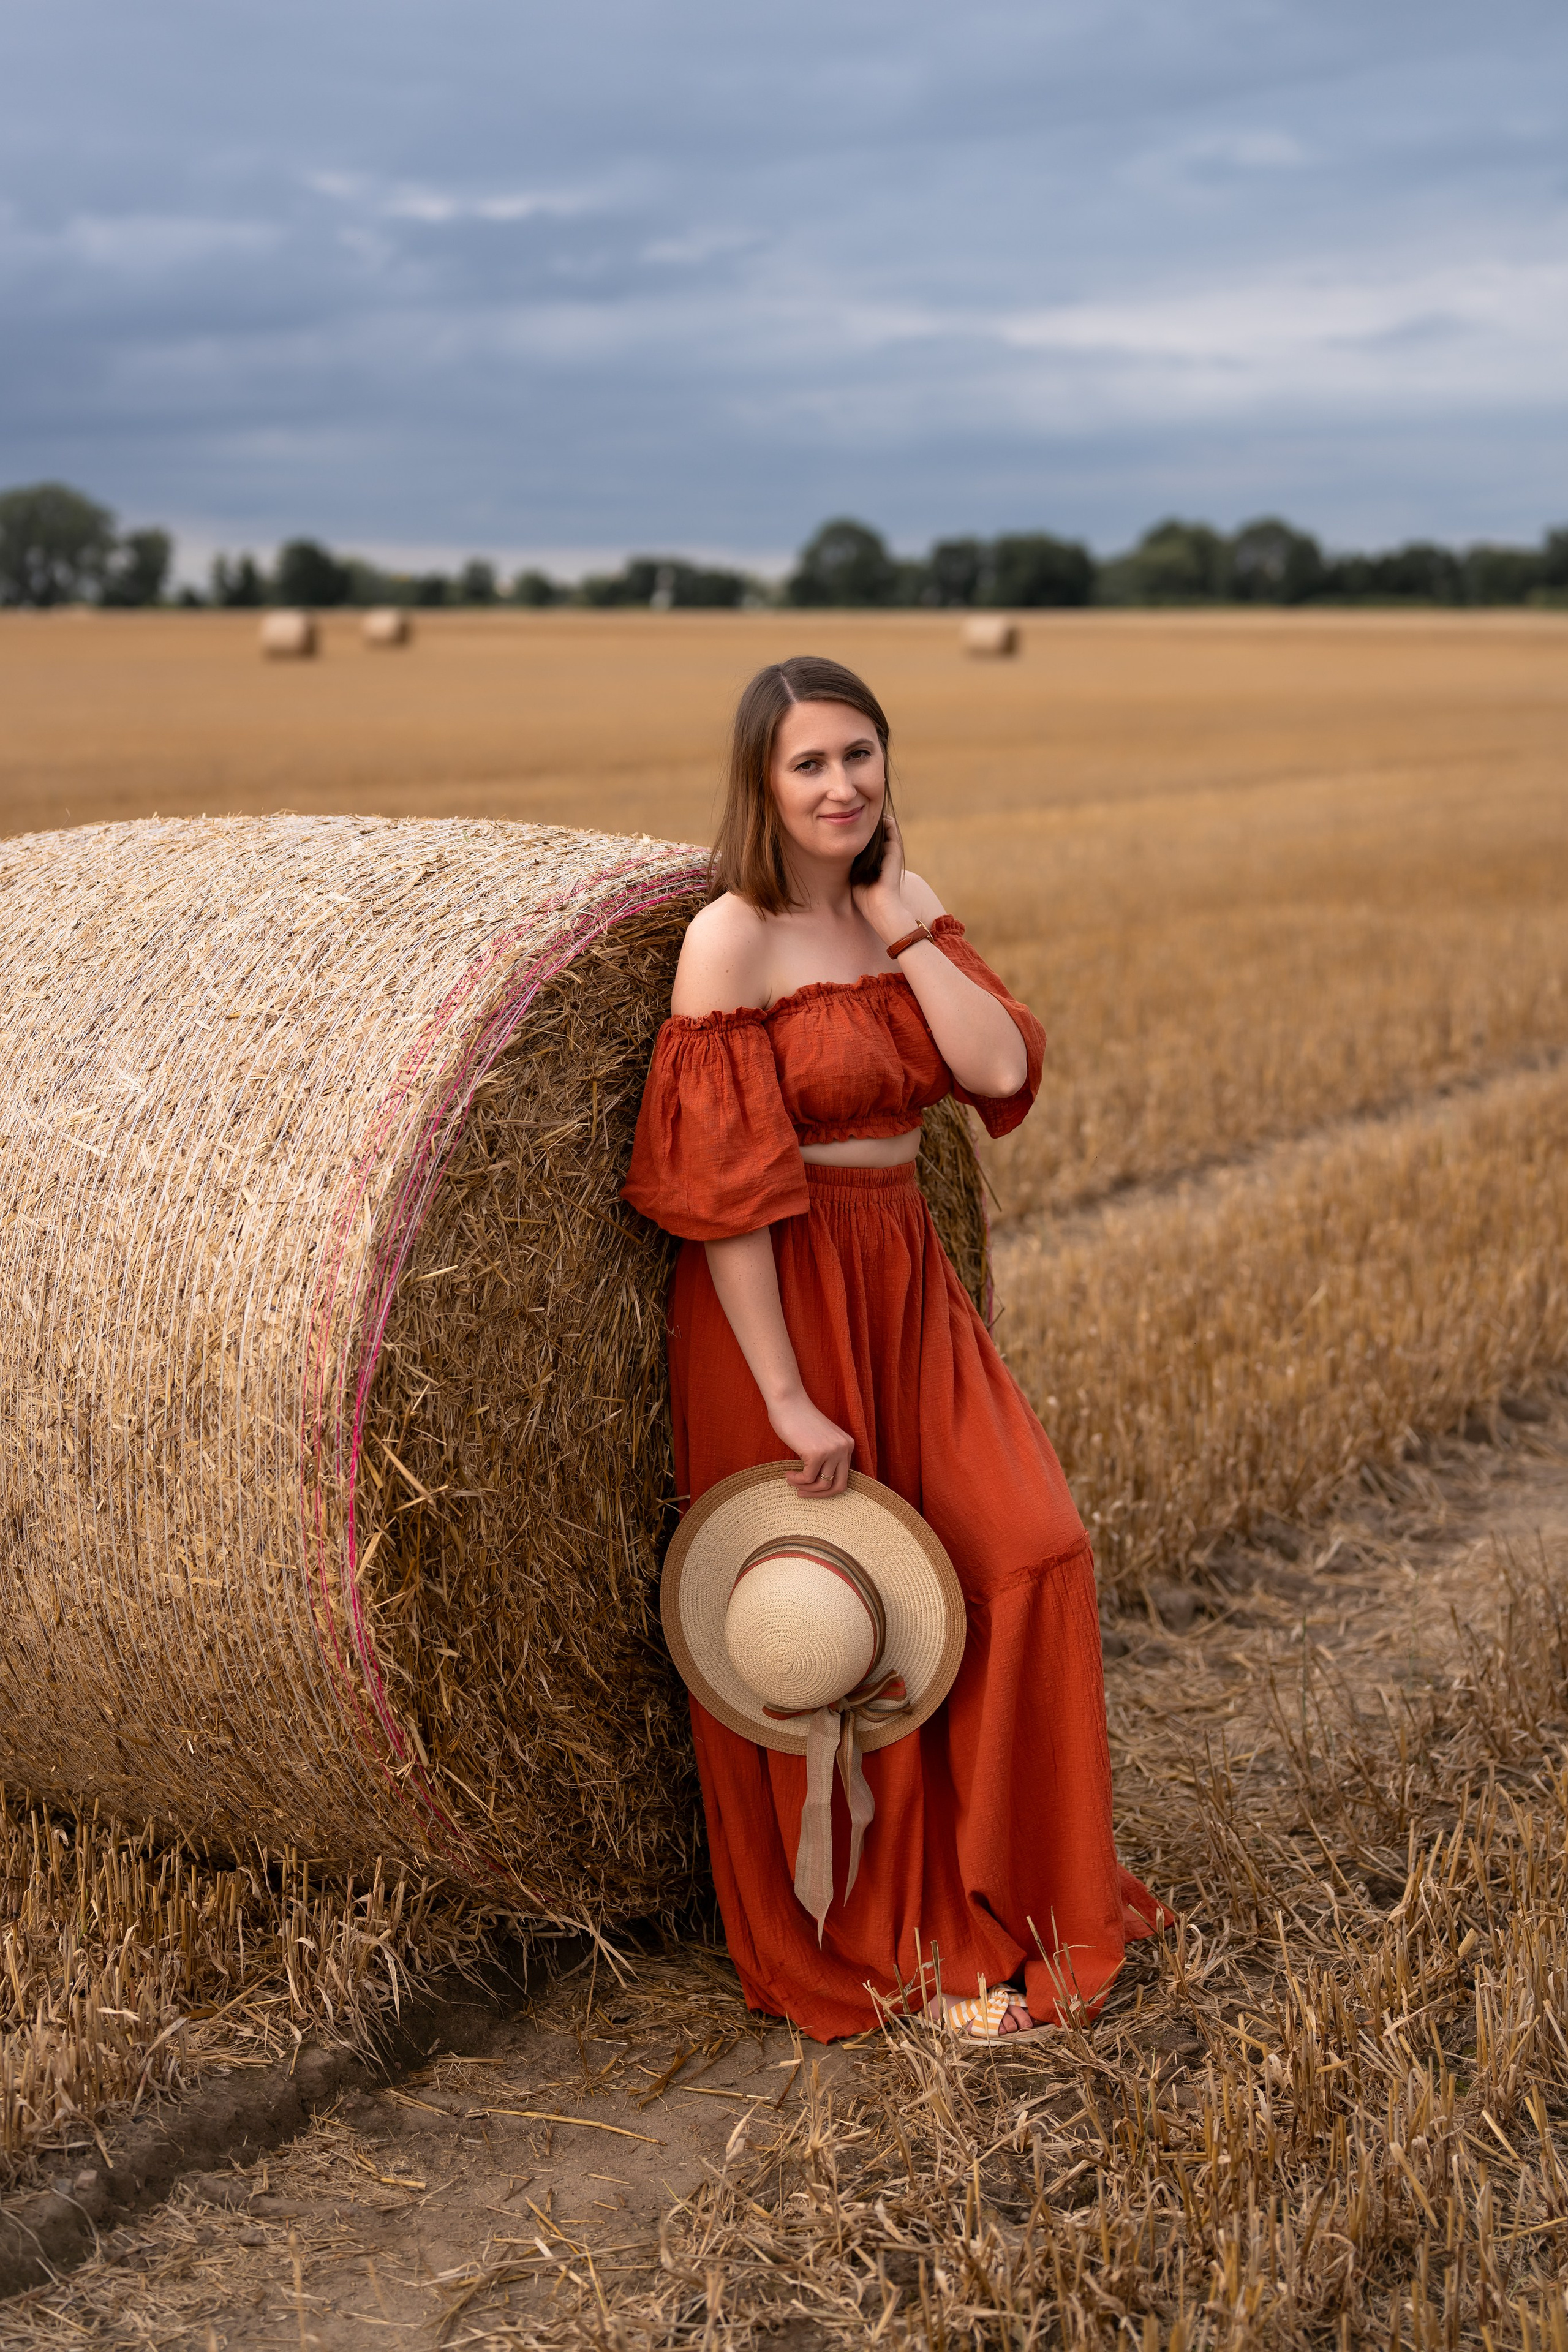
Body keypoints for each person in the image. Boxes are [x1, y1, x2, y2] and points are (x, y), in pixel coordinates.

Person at [622, 655, 1165, 2040]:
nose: (839, 785)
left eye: (859, 757)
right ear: (760, 781)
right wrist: (788, 1398)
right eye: (807, 764)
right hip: (781, 1301)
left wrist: (908, 927)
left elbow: (991, 1075)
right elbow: (722, 1196)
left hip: (906, 1273)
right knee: (834, 1625)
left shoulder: (900, 915)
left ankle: (1019, 1896)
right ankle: (893, 1936)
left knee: (1028, 1549)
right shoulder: (727, 942)